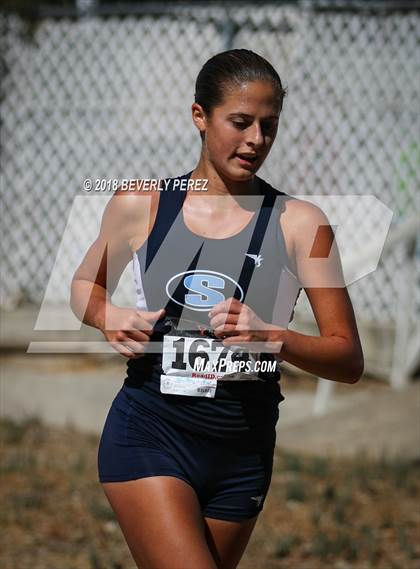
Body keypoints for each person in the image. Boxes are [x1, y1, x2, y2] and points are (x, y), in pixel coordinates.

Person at [70, 49, 363, 569]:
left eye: (269, 126)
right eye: (241, 122)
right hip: (150, 431)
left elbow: (347, 359)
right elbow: (84, 287)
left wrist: (270, 335)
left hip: (242, 450)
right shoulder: (142, 203)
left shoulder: (301, 223)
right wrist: (104, 315)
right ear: (200, 117)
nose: (256, 140)